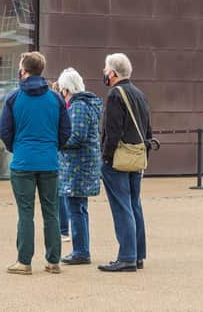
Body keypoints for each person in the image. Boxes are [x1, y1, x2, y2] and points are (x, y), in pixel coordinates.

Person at [0, 52, 71, 275]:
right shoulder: (56, 98)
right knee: (51, 212)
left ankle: (24, 261)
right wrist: (53, 147)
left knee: (25, 213)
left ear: (24, 70)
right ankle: (53, 260)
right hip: (49, 161)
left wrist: (16, 148)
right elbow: (66, 130)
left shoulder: (13, 98)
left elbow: (4, 130)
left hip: (23, 162)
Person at [98, 53, 152, 272]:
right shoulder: (140, 94)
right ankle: (138, 254)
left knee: (121, 206)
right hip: (136, 156)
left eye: (105, 69)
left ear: (113, 72)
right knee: (134, 204)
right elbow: (148, 128)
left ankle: (127, 256)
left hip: (118, 158)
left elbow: (112, 131)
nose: (104, 72)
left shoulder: (115, 95)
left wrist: (106, 156)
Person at [57, 68, 103, 265]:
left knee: (76, 209)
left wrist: (57, 140)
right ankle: (81, 249)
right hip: (83, 166)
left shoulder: (77, 107)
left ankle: (81, 251)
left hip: (77, 167)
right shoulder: (86, 104)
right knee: (79, 209)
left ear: (67, 89)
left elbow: (76, 136)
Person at [50, 81, 71, 243]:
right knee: (61, 194)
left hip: (59, 155)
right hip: (60, 154)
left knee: (60, 194)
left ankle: (63, 229)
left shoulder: (61, 108)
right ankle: (63, 228)